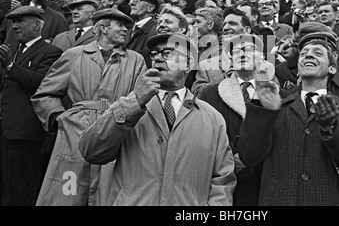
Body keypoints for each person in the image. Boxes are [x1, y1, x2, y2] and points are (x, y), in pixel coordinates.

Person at [78, 32, 236, 205]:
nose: (158, 58)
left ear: (189, 64)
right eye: (154, 54)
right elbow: (91, 151)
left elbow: (223, 180)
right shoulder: (129, 105)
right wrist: (134, 101)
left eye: (168, 53)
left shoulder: (213, 118)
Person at [238, 36, 339, 205]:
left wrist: (333, 128)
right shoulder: (276, 109)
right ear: (298, 69)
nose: (308, 56)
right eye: (303, 54)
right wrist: (261, 111)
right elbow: (249, 157)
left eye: (317, 53)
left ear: (333, 68)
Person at [31, 8, 147, 206]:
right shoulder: (74, 55)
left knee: (108, 192)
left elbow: (141, 98)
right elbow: (45, 93)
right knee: (68, 191)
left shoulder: (136, 60)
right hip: (75, 133)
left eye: (126, 27)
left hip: (115, 132)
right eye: (120, 25)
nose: (125, 30)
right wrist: (60, 119)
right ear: (102, 27)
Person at [199, 34, 290, 206]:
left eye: (249, 49)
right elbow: (205, 135)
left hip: (268, 180)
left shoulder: (283, 96)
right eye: (236, 51)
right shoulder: (209, 93)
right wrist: (232, 158)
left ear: (262, 57)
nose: (242, 54)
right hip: (224, 181)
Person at [0, 6, 63, 206]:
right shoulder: (14, 50)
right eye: (13, 22)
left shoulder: (51, 52)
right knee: (6, 185)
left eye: (21, 22)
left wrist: (10, 66)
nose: (15, 26)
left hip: (27, 133)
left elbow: (41, 82)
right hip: (6, 129)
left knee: (23, 187)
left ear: (37, 25)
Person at [125, 0, 161, 64]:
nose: (131, 3)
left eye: (137, 0)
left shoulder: (156, 29)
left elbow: (147, 57)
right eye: (132, 0)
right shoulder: (128, 31)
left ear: (150, 8)